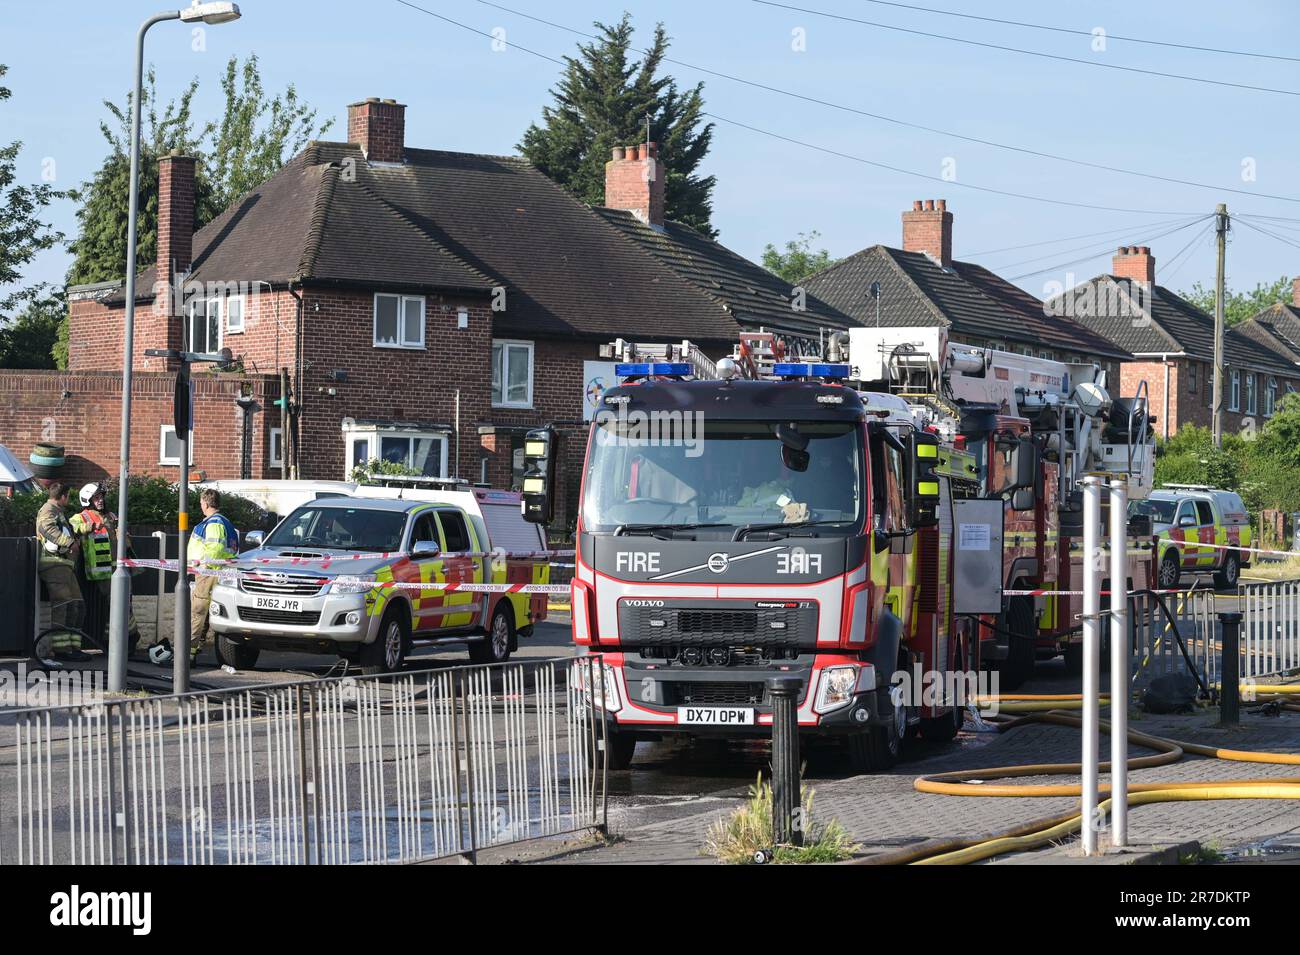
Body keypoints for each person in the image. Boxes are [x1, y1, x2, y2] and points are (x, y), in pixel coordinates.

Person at [70, 483, 142, 651]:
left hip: (120, 567)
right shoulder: (81, 516)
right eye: (96, 498)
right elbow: (74, 527)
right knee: (118, 604)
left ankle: (119, 640)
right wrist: (90, 527)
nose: (100, 500)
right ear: (87, 500)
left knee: (120, 605)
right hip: (101, 571)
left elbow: (124, 536)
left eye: (101, 497)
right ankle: (127, 639)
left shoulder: (111, 516)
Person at [186, 488, 239, 663]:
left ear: (206, 503)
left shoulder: (214, 523)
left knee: (197, 611)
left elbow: (215, 548)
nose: (201, 506)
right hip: (216, 572)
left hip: (208, 572)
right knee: (207, 613)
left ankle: (188, 653)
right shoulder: (225, 522)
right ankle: (195, 648)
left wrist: (205, 566)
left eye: (201, 503)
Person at [35, 482, 87, 661]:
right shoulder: (48, 510)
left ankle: (73, 647)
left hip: (65, 565)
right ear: (63, 496)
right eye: (68, 496)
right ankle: (61, 650)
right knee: (63, 604)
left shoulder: (58, 512)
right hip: (53, 565)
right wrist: (69, 542)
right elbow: (47, 528)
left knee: (78, 605)